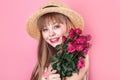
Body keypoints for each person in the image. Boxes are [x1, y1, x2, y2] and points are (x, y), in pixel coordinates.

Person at [26, 1, 89, 80]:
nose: (51, 34)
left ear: (68, 26)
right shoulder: (49, 60)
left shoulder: (79, 55)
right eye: (45, 29)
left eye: (56, 26)